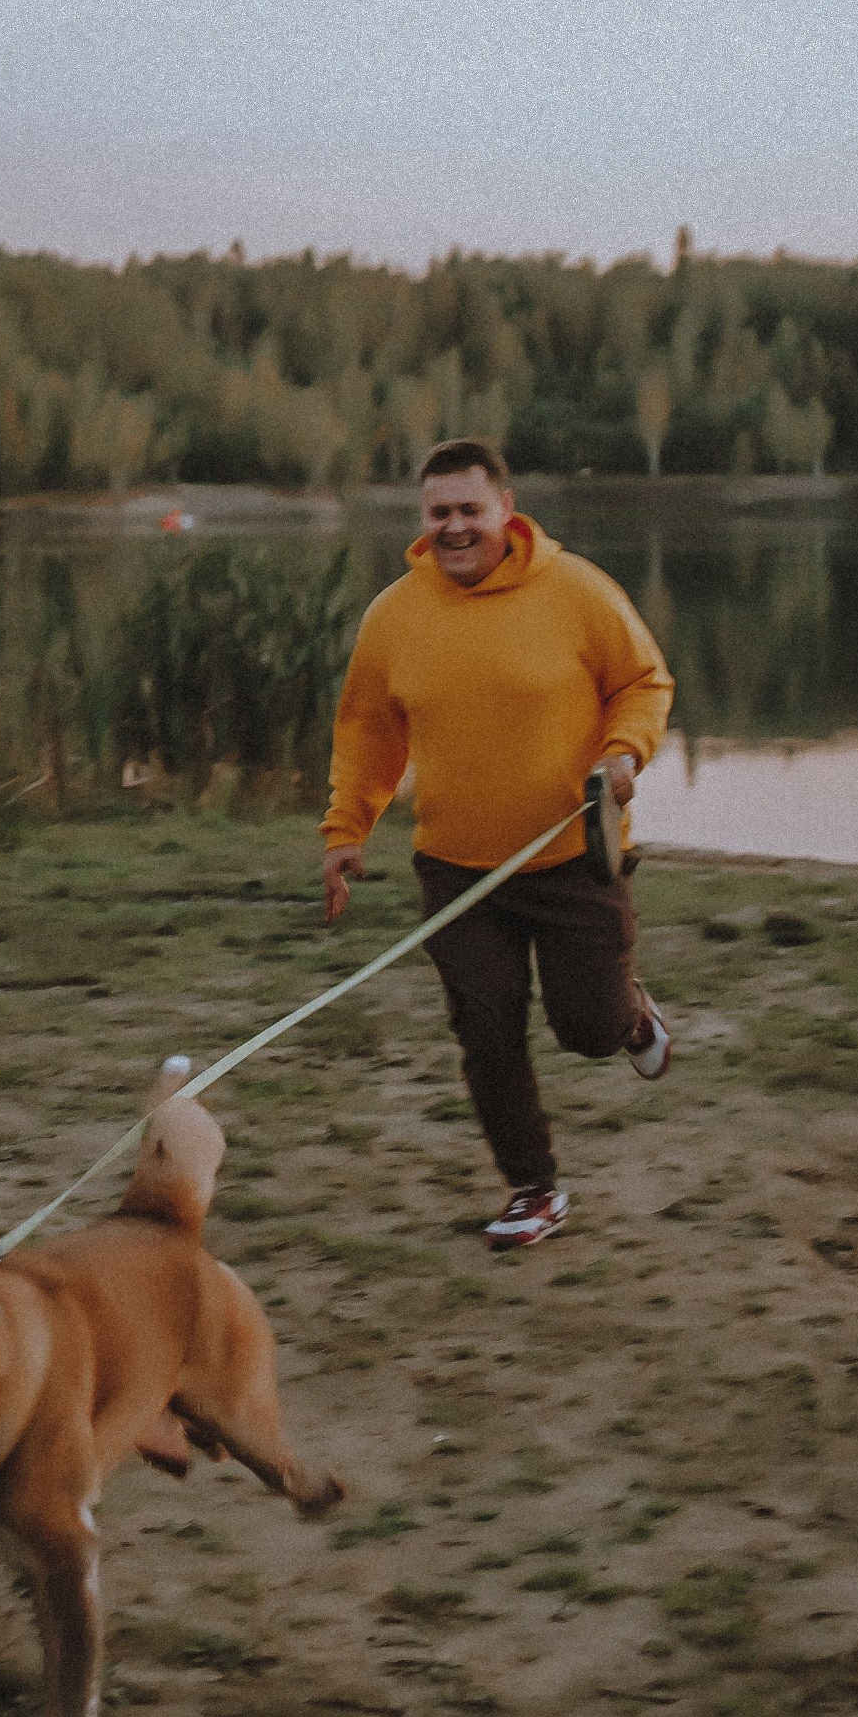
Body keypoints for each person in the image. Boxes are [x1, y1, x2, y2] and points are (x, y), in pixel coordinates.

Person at [320, 439, 675, 1252]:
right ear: (422, 520)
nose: (454, 528)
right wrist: (346, 832)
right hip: (456, 870)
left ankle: (627, 1013)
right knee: (485, 1024)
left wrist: (623, 751)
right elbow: (368, 733)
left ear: (505, 512)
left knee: (585, 1028)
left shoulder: (577, 590)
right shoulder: (395, 615)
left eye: (469, 510)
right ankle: (533, 1188)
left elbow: (644, 681)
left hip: (573, 858)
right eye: (438, 512)